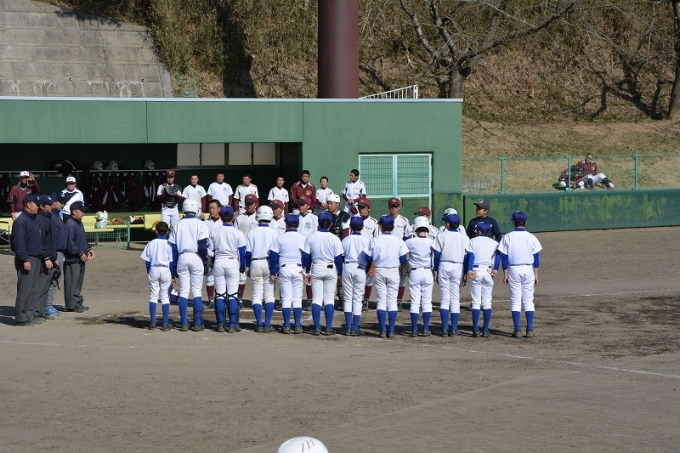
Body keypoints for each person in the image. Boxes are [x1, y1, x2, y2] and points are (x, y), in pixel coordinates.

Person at [498, 211, 542, 339]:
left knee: (515, 300)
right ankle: (530, 329)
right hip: (528, 269)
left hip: (514, 269)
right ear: (526, 222)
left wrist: (505, 273)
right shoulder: (532, 237)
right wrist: (536, 275)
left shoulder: (508, 237)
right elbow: (536, 258)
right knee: (528, 300)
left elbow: (504, 257)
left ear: (513, 222)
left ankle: (517, 330)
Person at [365, 215, 409, 338]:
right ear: (393, 226)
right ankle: (391, 329)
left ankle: (383, 330)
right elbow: (403, 257)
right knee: (392, 301)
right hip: (393, 271)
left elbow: (368, 257)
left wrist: (373, 262)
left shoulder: (375, 240)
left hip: (379, 270)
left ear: (381, 226)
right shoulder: (398, 240)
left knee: (381, 301)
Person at [169, 199, 209, 332]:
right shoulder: (200, 224)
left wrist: (174, 264)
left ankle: (184, 323)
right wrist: (204, 262)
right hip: (196, 257)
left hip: (182, 257)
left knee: (184, 291)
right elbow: (202, 247)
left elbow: (173, 248)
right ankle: (197, 323)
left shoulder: (177, 224)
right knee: (197, 291)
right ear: (196, 209)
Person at [302, 211, 344, 335]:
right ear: (330, 224)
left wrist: (307, 271)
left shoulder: (311, 236)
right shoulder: (334, 238)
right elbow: (338, 258)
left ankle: (316, 327)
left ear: (318, 224)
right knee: (329, 299)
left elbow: (306, 256)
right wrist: (340, 273)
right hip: (330, 268)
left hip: (316, 267)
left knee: (316, 299)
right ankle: (328, 328)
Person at [209, 205, 246, 333]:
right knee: (232, 294)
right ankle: (232, 324)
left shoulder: (215, 232)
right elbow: (242, 252)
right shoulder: (238, 233)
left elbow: (211, 251)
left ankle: (220, 324)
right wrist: (242, 266)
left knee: (219, 294)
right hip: (232, 263)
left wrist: (214, 262)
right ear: (233, 217)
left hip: (219, 262)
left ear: (221, 216)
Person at [432, 212, 469, 337]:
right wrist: (466, 272)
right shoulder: (463, 237)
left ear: (448, 224)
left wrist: (435, 270)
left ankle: (444, 328)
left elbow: (437, 255)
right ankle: (454, 329)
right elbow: (467, 256)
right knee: (455, 298)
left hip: (444, 265)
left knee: (444, 298)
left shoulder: (441, 235)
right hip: (458, 266)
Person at [268, 214, 306, 334]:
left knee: (286, 298)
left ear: (286, 224)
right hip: (298, 269)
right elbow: (306, 256)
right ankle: (297, 325)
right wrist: (306, 271)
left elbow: (273, 255)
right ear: (298, 225)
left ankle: (286, 325)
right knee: (297, 298)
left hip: (284, 268)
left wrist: (273, 271)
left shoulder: (280, 237)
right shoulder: (303, 238)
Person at [12, 194, 44, 325]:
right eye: (36, 204)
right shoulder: (22, 221)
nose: (38, 207)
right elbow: (19, 242)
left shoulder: (32, 219)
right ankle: (21, 317)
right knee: (25, 288)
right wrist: (25, 259)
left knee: (33, 288)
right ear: (28, 205)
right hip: (27, 258)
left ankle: (29, 314)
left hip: (35, 257)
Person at [246, 205, 279, 332]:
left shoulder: (252, 232)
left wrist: (248, 266)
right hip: (269, 262)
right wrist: (275, 269)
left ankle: (259, 323)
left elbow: (248, 253)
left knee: (256, 295)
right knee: (269, 295)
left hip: (255, 262)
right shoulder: (274, 232)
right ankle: (267, 323)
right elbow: (276, 253)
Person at [465, 222, 501, 337]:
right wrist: (496, 269)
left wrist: (468, 270)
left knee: (476, 301)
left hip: (476, 271)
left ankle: (476, 329)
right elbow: (498, 256)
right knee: (487, 302)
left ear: (479, 231)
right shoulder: (494, 243)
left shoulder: (472, 241)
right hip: (488, 272)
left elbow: (470, 256)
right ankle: (485, 329)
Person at [140, 221, 175, 331]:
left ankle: (152, 323)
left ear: (156, 231)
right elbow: (171, 262)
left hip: (154, 268)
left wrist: (149, 272)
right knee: (165, 296)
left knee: (153, 296)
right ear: (167, 232)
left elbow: (147, 261)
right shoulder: (169, 244)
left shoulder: (151, 243)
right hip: (165, 269)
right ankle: (165, 323)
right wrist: (172, 277)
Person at [63, 201, 95, 313]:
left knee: (78, 282)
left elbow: (82, 239)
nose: (83, 213)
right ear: (74, 211)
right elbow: (70, 243)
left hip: (80, 258)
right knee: (72, 282)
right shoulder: (70, 224)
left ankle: (77, 302)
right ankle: (72, 305)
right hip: (72, 259)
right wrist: (80, 253)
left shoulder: (79, 223)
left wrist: (88, 248)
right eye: (81, 211)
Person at [405, 216, 434, 337]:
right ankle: (425, 329)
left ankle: (414, 329)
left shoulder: (410, 242)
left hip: (415, 272)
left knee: (415, 301)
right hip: (427, 272)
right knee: (427, 301)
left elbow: (405, 256)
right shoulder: (432, 241)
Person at [341, 216, 369, 336]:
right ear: (362, 227)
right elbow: (369, 257)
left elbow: (341, 256)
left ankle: (348, 327)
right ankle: (355, 328)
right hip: (360, 268)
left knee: (348, 297)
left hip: (347, 267)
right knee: (357, 298)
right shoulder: (366, 240)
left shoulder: (345, 240)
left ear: (350, 227)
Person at [44, 192, 68, 316]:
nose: (63, 204)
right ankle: (46, 305)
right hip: (55, 252)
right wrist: (52, 255)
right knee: (52, 279)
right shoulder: (51, 217)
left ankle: (48, 304)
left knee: (55, 279)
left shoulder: (57, 215)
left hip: (59, 252)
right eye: (61, 202)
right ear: (54, 202)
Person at [234, 193, 259, 304]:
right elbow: (235, 235)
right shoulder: (239, 218)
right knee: (241, 276)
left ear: (255, 204)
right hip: (242, 250)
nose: (249, 206)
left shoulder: (259, 218)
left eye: (251, 204)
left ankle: (258, 299)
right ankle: (239, 299)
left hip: (255, 250)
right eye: (247, 203)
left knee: (257, 277)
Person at [34, 195, 56, 322]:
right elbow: (40, 242)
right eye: (49, 204)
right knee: (40, 287)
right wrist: (46, 257)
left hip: (49, 258)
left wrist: (53, 257)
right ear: (42, 206)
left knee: (45, 287)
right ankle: (36, 312)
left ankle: (41, 311)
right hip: (43, 259)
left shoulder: (48, 218)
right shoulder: (41, 220)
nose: (52, 206)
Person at [327, 193, 350, 310]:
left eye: (331, 203)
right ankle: (327, 300)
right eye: (328, 203)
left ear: (337, 204)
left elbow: (345, 235)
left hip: (339, 250)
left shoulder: (344, 216)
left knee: (340, 276)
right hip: (327, 250)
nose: (329, 205)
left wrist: (342, 251)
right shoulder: (324, 215)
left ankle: (342, 300)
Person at [386, 197, 410, 311]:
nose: (393, 208)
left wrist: (405, 254)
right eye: (391, 206)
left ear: (399, 207)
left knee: (401, 278)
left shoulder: (404, 220)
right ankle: (389, 301)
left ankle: (399, 301)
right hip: (388, 253)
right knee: (388, 278)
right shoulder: (384, 219)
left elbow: (407, 237)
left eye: (395, 206)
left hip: (400, 253)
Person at [296, 196, 318, 310]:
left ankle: (310, 299)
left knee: (309, 274)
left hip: (309, 250)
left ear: (308, 206)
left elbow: (315, 234)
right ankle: (296, 299)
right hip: (297, 250)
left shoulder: (314, 218)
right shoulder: (295, 217)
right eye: (299, 204)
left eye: (303, 204)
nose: (300, 206)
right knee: (297, 275)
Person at [356, 196, 378, 311]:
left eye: (363, 207)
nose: (361, 209)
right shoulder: (354, 220)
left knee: (368, 280)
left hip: (369, 255)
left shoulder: (374, 223)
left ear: (368, 209)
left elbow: (376, 240)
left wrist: (374, 259)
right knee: (357, 279)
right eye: (359, 207)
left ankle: (366, 301)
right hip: (356, 254)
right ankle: (357, 299)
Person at [204, 199, 223, 308]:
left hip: (221, 254)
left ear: (219, 209)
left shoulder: (223, 223)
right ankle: (211, 300)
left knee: (222, 278)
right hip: (209, 254)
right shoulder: (205, 223)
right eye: (210, 208)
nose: (211, 210)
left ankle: (222, 299)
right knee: (210, 278)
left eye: (213, 208)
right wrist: (208, 256)